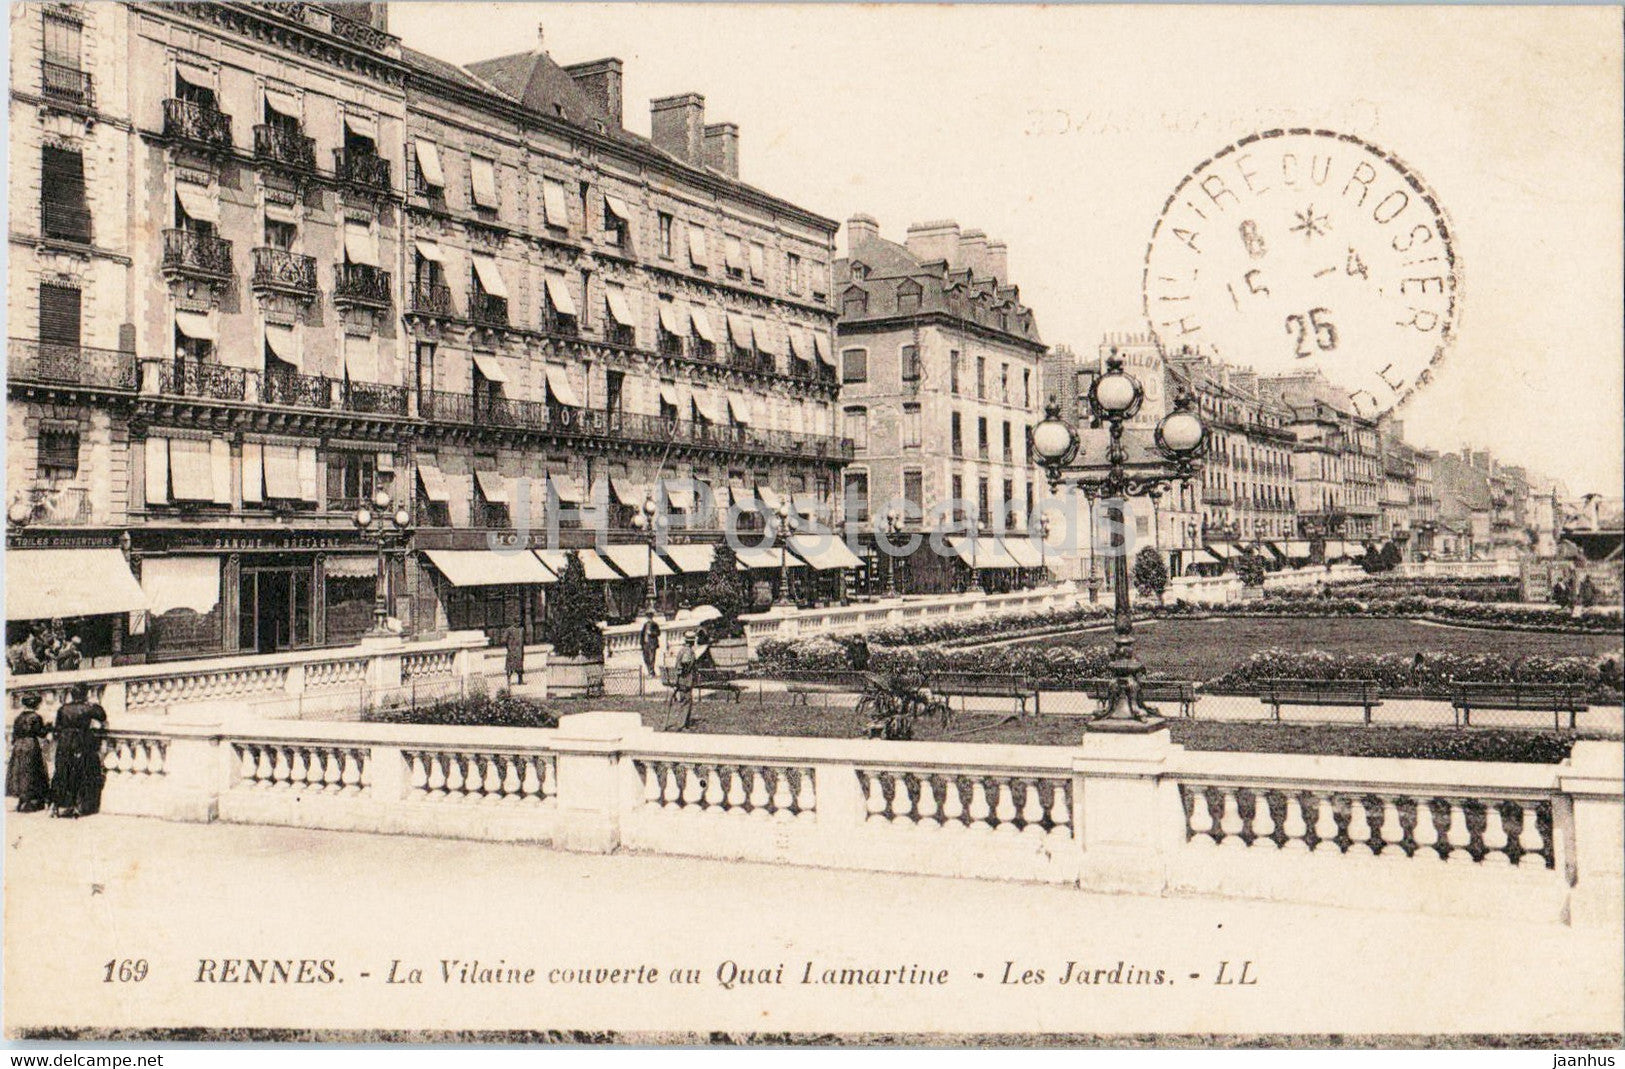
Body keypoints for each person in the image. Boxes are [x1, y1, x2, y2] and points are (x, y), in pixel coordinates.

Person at [50, 683, 107, 818]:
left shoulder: (63, 709)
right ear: (85, 694)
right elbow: (102, 716)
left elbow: (57, 728)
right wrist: (94, 703)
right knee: (81, 772)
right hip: (80, 741)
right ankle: (78, 805)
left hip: (64, 742)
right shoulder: (87, 708)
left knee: (62, 773)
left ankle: (57, 806)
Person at [7, 693, 52, 813]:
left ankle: (22, 799)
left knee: (19, 771)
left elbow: (14, 734)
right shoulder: (35, 717)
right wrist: (48, 727)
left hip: (18, 745)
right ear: (35, 704)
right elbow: (41, 733)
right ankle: (30, 802)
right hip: (30, 744)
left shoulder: (19, 717)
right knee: (32, 771)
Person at [502, 622, 525, 688]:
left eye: (519, 621)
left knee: (519, 665)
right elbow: (504, 640)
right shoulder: (509, 630)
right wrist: (509, 647)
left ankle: (520, 680)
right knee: (510, 666)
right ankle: (509, 681)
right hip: (512, 650)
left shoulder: (521, 629)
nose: (518, 623)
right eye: (517, 621)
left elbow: (523, 639)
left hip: (519, 650)